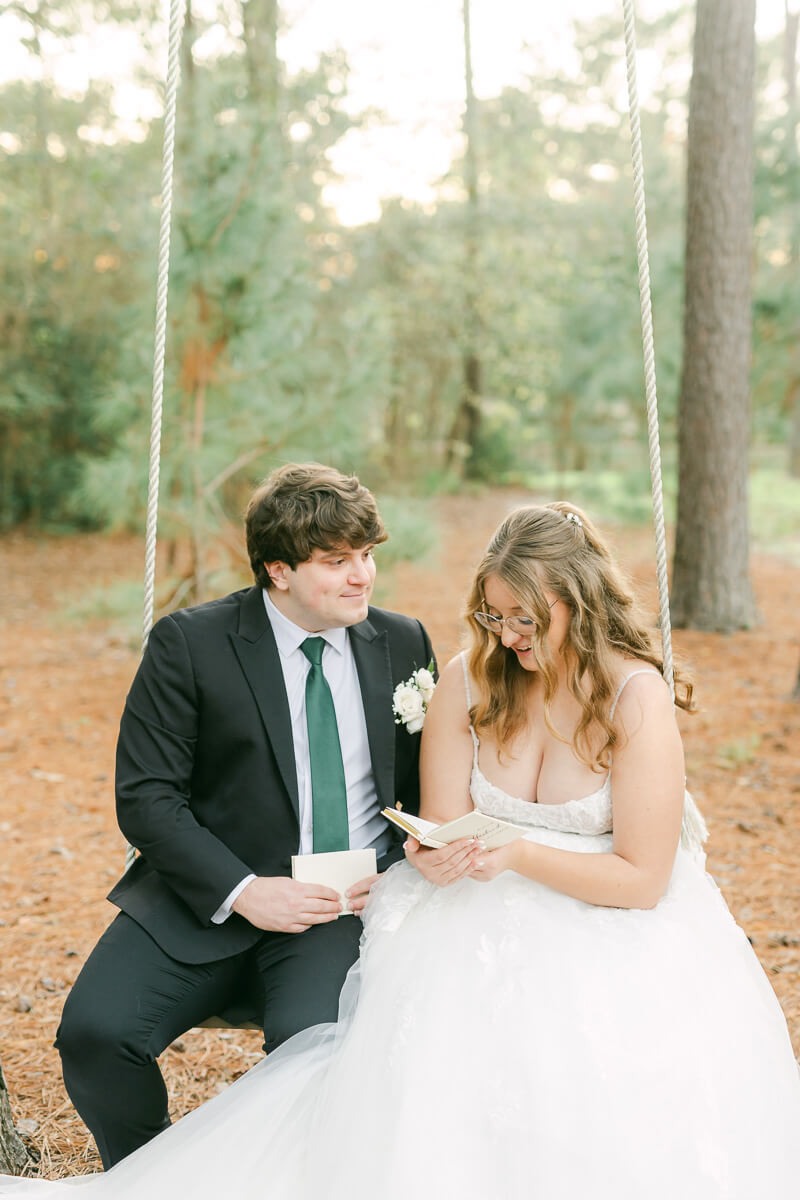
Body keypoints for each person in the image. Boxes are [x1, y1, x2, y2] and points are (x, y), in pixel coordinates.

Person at [3, 502, 799, 1198]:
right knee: (123, 1037)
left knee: (554, 1059)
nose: (509, 635)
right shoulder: (468, 674)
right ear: (278, 571)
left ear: (579, 605)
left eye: (527, 618)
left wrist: (512, 853)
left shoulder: (624, 692)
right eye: (494, 615)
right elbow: (435, 819)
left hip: (603, 914)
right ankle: (148, 1172)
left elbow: (643, 878)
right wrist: (432, 854)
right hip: (426, 904)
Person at [49, 462, 436, 1169]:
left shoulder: (404, 643)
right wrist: (246, 891)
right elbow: (146, 797)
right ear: (277, 570)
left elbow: (429, 791)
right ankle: (149, 1177)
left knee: (315, 1045)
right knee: (96, 1035)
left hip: (338, 906)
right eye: (336, 561)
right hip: (205, 896)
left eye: (368, 555)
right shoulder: (190, 644)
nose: (362, 577)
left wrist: (403, 868)